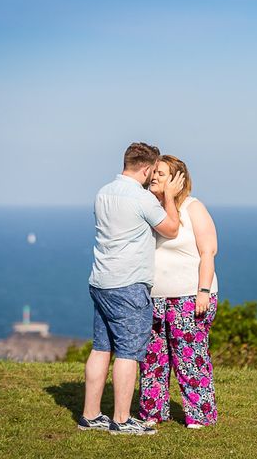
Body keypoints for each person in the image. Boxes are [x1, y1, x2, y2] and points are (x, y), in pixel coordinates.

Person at [79, 143, 185, 435]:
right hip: (127, 285)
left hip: (100, 281)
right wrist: (171, 197)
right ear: (147, 168)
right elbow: (172, 228)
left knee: (101, 348)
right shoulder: (141, 198)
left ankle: (91, 415)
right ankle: (122, 420)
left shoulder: (103, 192)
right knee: (127, 352)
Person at [139, 155, 219, 428]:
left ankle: (200, 415)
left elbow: (208, 251)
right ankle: (152, 411)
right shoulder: (150, 209)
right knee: (153, 357)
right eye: (154, 172)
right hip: (154, 297)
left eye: (161, 173)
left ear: (177, 179)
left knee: (190, 357)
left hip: (188, 295)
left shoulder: (193, 207)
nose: (154, 177)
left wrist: (204, 291)